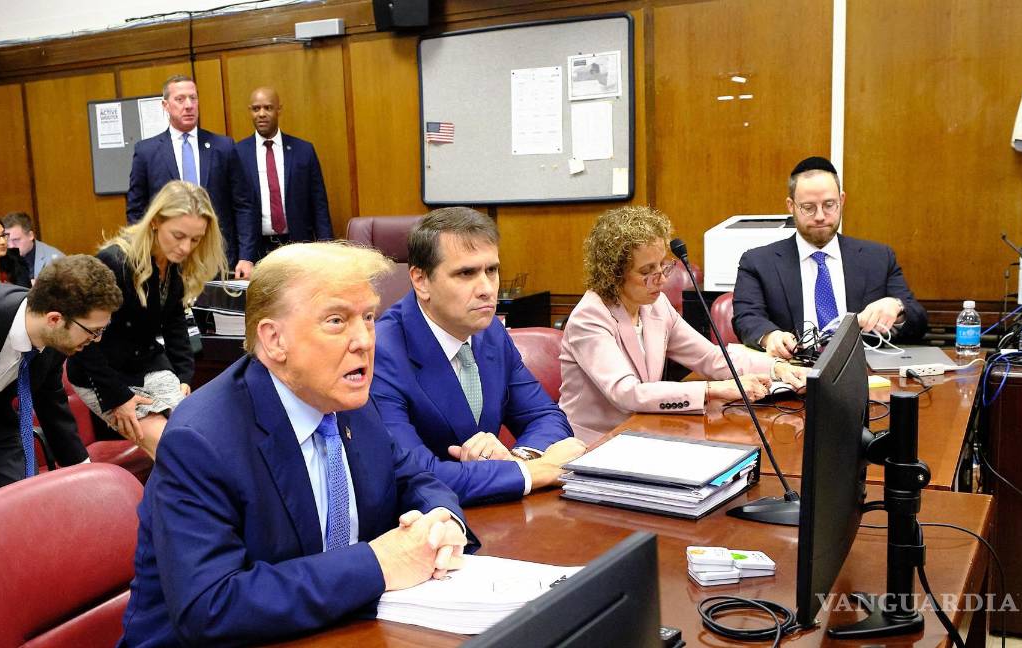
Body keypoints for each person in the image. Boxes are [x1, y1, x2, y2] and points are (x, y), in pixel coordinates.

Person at [118, 242, 472, 647]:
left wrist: (441, 523)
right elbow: (211, 606)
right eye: (337, 320)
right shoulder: (200, 441)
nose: (364, 341)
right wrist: (378, 564)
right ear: (274, 340)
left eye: (369, 317)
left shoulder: (349, 400)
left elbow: (414, 478)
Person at [372, 207, 585, 506]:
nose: (487, 289)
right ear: (420, 281)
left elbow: (545, 416)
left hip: (493, 514)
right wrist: (536, 471)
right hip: (419, 526)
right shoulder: (381, 351)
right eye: (466, 273)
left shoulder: (489, 333)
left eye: (492, 270)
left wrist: (518, 458)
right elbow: (416, 475)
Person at [559, 206, 806, 444]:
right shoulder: (590, 317)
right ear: (612, 274)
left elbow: (710, 357)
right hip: (594, 443)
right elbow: (627, 393)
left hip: (643, 430)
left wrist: (777, 368)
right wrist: (712, 390)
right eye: (647, 271)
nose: (663, 279)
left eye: (662, 265)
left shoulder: (656, 305)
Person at [0, 255, 123, 518]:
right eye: (93, 331)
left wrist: (84, 473)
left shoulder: (57, 337)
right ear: (54, 319)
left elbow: (52, 402)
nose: (96, 340)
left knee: (33, 513)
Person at [68, 181, 227, 460]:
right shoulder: (114, 261)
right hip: (102, 373)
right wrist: (117, 398)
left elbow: (175, 323)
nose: (186, 247)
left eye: (195, 239)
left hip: (147, 363)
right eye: (178, 235)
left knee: (202, 439)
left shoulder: (174, 263)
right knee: (171, 450)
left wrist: (183, 376)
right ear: (155, 222)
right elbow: (82, 344)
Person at [732, 156, 928, 358]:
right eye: (808, 208)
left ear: (842, 200)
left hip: (864, 374)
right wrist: (770, 336)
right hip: (792, 371)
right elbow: (746, 318)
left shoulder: (878, 258)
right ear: (791, 206)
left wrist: (897, 307)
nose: (819, 216)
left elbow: (918, 321)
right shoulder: (758, 262)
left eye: (829, 205)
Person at [126, 74, 257, 278]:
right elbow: (136, 210)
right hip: (166, 260)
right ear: (165, 105)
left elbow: (243, 204)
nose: (188, 105)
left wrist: (246, 256)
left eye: (193, 98)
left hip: (218, 257)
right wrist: (148, 253)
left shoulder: (223, 147)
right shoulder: (147, 152)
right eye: (180, 99)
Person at [235, 86, 332, 255]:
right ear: (250, 111)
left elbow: (319, 204)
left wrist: (327, 246)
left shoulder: (303, 151)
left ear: (279, 110)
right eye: (256, 109)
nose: (262, 114)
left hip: (299, 246)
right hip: (257, 250)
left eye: (268, 107)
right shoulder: (237, 153)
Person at [3, 211, 64, 282]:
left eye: (16, 240)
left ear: (30, 235)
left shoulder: (56, 262)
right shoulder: (2, 256)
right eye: (7, 240)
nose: (11, 246)